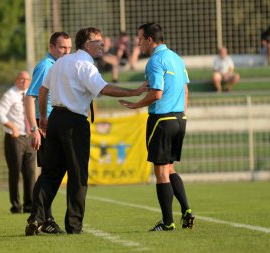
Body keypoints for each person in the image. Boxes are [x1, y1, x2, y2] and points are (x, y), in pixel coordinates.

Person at [25, 27, 148, 236]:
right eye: (97, 41)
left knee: (50, 173)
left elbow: (43, 90)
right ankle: (74, 226)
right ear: (86, 44)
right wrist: (135, 92)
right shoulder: (85, 64)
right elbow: (104, 88)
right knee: (78, 175)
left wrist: (44, 118)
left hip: (55, 118)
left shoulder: (61, 62)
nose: (102, 44)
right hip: (74, 122)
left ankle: (36, 218)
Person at [119, 23, 195, 231]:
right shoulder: (177, 59)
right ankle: (187, 211)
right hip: (180, 118)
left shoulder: (154, 61)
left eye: (140, 39)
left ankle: (168, 222)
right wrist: (181, 113)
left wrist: (134, 104)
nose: (138, 43)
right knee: (170, 169)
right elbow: (186, 91)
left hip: (162, 120)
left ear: (150, 39)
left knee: (161, 173)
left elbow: (156, 93)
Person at [24, 32, 72, 233]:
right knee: (50, 172)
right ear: (51, 47)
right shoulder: (46, 66)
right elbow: (29, 97)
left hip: (54, 124)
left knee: (51, 172)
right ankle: (42, 219)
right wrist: (34, 129)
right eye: (62, 47)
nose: (66, 52)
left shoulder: (58, 66)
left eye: (69, 48)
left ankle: (42, 218)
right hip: (45, 125)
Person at [0, 71, 36, 214]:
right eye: (21, 79)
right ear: (16, 80)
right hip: (14, 139)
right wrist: (12, 127)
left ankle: (29, 205)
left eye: (27, 79)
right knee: (15, 171)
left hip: (29, 137)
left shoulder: (31, 94)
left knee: (30, 172)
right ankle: (16, 205)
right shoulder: (10, 94)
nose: (24, 82)